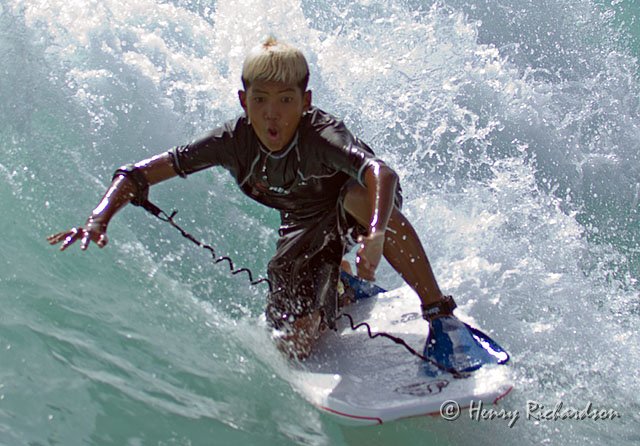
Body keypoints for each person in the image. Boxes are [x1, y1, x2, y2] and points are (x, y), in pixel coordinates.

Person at [48, 37, 482, 367]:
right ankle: (340, 287)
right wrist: (98, 219)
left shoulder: (321, 135)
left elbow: (380, 172)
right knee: (293, 343)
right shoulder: (230, 141)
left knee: (355, 194)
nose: (272, 114)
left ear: (305, 102)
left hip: (364, 208)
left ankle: (440, 315)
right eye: (260, 100)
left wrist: (377, 232)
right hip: (304, 222)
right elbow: (136, 174)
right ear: (244, 101)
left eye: (286, 100)